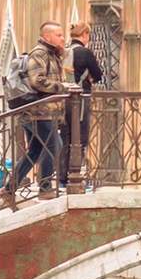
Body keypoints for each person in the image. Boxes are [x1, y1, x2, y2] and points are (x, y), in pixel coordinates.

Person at [3, 22, 69, 206]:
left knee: (35, 150)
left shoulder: (52, 54)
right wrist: (63, 88)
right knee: (54, 145)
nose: (62, 38)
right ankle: (45, 187)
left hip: (42, 111)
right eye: (59, 35)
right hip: (38, 111)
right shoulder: (39, 53)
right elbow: (37, 81)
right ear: (47, 37)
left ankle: (9, 189)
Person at [58, 22, 104, 190]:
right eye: (88, 36)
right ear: (84, 34)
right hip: (80, 99)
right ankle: (75, 176)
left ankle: (62, 178)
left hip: (63, 99)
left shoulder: (64, 52)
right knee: (80, 137)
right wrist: (90, 78)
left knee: (65, 137)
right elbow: (98, 75)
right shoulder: (85, 52)